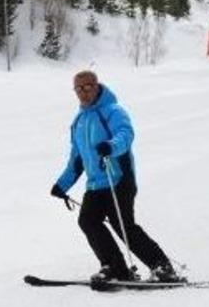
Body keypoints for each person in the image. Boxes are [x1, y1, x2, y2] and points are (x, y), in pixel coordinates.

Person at [50, 70, 180, 283]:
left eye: (87, 86)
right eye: (78, 88)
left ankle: (163, 268)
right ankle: (115, 268)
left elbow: (125, 135)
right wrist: (62, 185)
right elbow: (76, 159)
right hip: (95, 185)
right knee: (88, 221)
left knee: (123, 226)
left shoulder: (113, 111)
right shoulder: (78, 122)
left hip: (119, 179)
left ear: (96, 86)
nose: (83, 92)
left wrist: (111, 146)